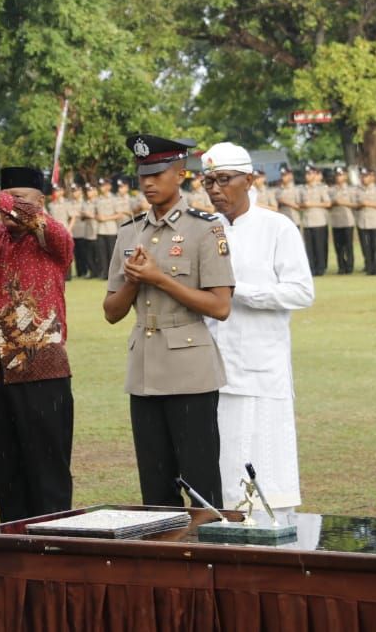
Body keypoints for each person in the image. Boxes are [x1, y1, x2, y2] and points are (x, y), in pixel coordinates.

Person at [102, 134, 234, 509]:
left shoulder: (204, 229)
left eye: (158, 173)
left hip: (190, 372)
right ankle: (166, 565)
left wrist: (160, 279)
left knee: (201, 486)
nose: (148, 182)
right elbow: (112, 312)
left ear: (180, 174)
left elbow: (220, 306)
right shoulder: (129, 232)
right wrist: (132, 280)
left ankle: (207, 562)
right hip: (144, 370)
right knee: (156, 490)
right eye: (143, 173)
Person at [199, 143, 313, 517]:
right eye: (209, 181)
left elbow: (301, 291)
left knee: (267, 475)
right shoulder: (205, 230)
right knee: (226, 474)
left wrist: (236, 292)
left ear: (249, 179)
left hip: (263, 370)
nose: (216, 189)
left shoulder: (276, 227)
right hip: (215, 368)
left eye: (225, 179)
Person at [0, 166, 74, 521]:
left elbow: (41, 224)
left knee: (49, 474)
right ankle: (16, 556)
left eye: (22, 199)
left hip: (44, 372)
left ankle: (55, 551)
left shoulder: (53, 237)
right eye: (7, 198)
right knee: (7, 473)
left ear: (41, 202)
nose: (10, 208)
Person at [298, 165, 330, 276]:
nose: (307, 176)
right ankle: (311, 268)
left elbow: (327, 203)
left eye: (310, 174)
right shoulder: (302, 189)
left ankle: (320, 268)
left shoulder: (321, 188)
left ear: (315, 175)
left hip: (319, 220)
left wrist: (312, 204)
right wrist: (303, 205)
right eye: (306, 174)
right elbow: (299, 204)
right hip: (307, 221)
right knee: (309, 247)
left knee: (319, 246)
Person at [356, 168, 376, 276]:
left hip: (375, 222)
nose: (363, 178)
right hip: (362, 222)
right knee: (366, 246)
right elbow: (354, 205)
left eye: (366, 176)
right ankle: (369, 267)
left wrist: (369, 204)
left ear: (372, 177)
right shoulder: (357, 190)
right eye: (362, 176)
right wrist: (360, 205)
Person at [328, 167, 356, 275]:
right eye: (337, 175)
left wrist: (343, 202)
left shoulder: (351, 190)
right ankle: (341, 266)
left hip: (347, 220)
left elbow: (356, 204)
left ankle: (349, 266)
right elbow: (328, 204)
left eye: (340, 175)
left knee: (348, 245)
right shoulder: (331, 190)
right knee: (338, 246)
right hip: (336, 221)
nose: (338, 177)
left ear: (345, 176)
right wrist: (334, 203)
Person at [46, 184, 74, 281]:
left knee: (67, 253)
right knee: (56, 253)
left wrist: (69, 229)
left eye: (58, 190)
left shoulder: (67, 203)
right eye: (55, 191)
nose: (56, 193)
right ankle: (58, 273)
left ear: (62, 191)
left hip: (65, 230)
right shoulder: (51, 204)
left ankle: (68, 275)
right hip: (55, 232)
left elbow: (73, 217)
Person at [95, 178, 123, 273]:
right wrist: (97, 217)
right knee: (102, 253)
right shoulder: (98, 199)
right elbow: (96, 213)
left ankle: (112, 272)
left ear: (109, 186)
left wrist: (106, 218)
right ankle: (104, 272)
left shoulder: (114, 199)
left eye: (103, 185)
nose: (101, 187)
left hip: (111, 229)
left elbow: (119, 214)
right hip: (100, 229)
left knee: (111, 253)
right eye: (101, 185)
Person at [67, 184, 89, 279]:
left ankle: (85, 271)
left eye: (76, 191)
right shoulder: (70, 203)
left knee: (83, 252)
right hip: (73, 231)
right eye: (73, 191)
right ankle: (79, 272)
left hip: (83, 230)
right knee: (76, 253)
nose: (74, 193)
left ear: (80, 191)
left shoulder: (84, 203)